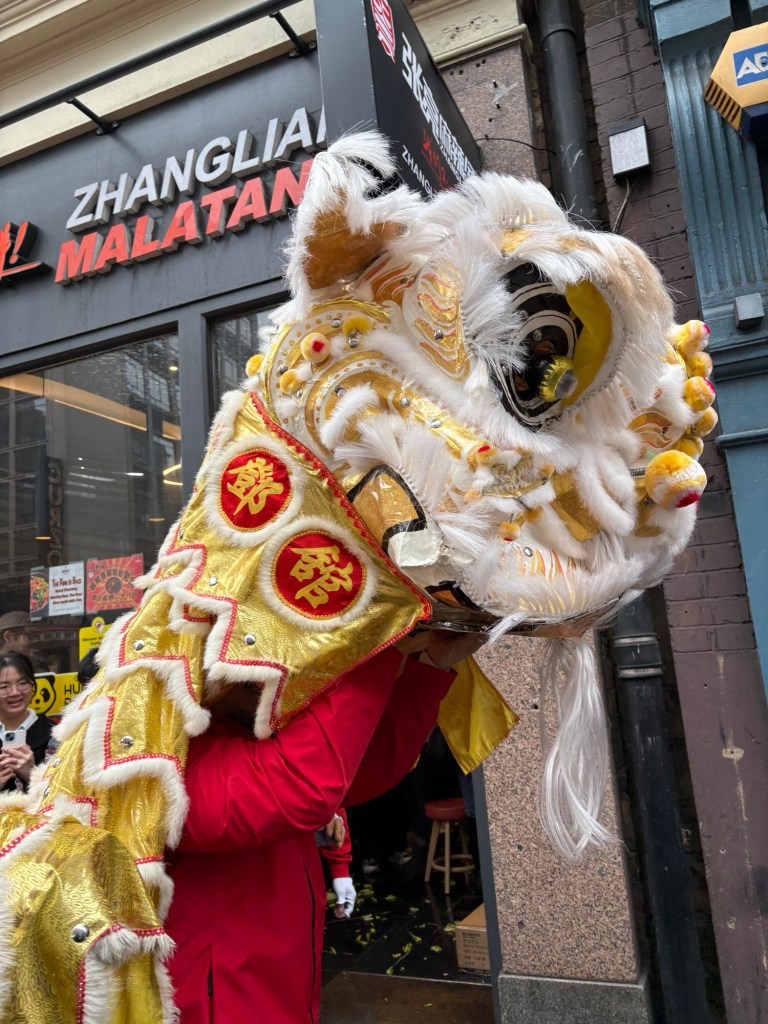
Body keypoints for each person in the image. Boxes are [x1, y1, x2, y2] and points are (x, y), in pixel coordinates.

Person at [164, 629, 484, 1024]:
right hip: (221, 1000)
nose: (274, 682)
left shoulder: (245, 730)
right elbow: (301, 788)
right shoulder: (169, 761)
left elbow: (359, 772)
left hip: (279, 985)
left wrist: (431, 662)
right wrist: (375, 648)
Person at [0, 651, 53, 793]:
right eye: (4, 686)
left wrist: (33, 775)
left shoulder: (55, 734)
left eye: (23, 683)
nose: (15, 692)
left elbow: (70, 795)